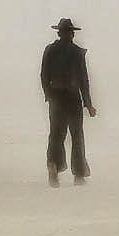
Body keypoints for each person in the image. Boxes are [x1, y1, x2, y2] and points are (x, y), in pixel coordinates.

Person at [41, 17, 96, 185]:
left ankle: (53, 166)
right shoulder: (77, 53)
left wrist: (49, 95)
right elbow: (84, 81)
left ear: (59, 33)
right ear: (71, 34)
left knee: (56, 135)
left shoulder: (50, 50)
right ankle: (78, 174)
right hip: (72, 99)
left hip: (57, 98)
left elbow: (44, 76)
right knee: (76, 136)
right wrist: (88, 104)